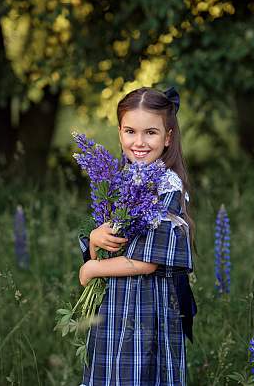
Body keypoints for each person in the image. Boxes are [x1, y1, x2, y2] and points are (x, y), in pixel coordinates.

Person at [79, 86, 197, 386]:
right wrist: (94, 239)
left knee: (140, 374)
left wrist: (93, 269)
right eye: (130, 131)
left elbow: (147, 262)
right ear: (119, 133)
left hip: (148, 310)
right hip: (114, 306)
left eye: (151, 133)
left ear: (168, 137)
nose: (139, 142)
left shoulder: (168, 187)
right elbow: (108, 250)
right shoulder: (118, 180)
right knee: (110, 373)